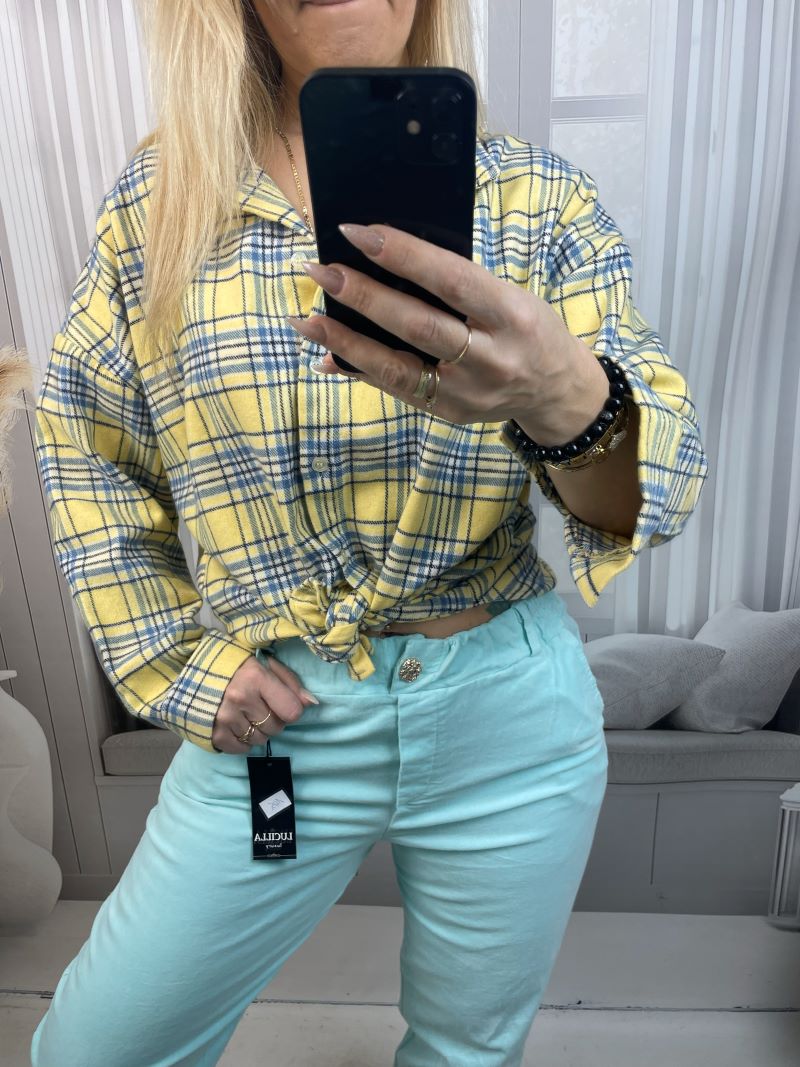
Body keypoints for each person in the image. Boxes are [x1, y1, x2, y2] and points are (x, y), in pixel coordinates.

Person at [30, 1, 708, 1064]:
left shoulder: (537, 202)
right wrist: (175, 658)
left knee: (465, 1050)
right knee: (96, 1047)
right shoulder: (157, 212)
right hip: (277, 717)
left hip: (508, 713)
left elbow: (652, 499)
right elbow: (87, 451)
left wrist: (565, 396)